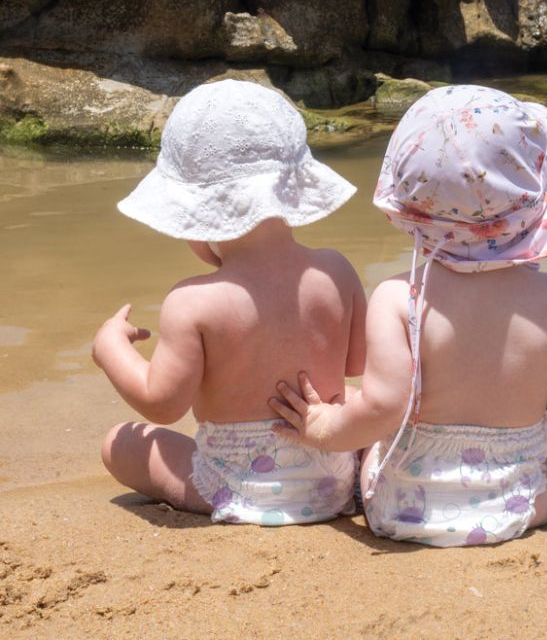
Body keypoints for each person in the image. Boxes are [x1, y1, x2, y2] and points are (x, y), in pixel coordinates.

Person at [270, 85, 547, 547]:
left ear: (406, 211)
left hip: (401, 508)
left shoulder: (398, 298)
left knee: (365, 421)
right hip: (514, 504)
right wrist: (532, 452)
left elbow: (384, 407)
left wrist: (323, 428)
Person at [93, 79, 366, 526]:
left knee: (120, 442)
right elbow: (358, 361)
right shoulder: (335, 270)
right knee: (350, 397)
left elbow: (161, 404)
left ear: (198, 217)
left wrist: (111, 349)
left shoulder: (191, 301)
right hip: (330, 476)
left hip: (233, 483)